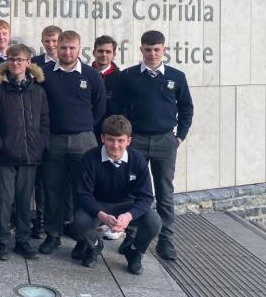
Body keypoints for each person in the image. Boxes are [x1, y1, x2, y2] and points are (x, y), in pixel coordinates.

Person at [116, 30, 193, 261]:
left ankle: (166, 240)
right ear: (141, 49)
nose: (152, 53)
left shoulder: (176, 76)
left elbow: (187, 108)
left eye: (156, 49)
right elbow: (119, 108)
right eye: (148, 49)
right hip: (136, 140)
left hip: (164, 141)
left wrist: (179, 137)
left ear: (164, 50)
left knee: (165, 192)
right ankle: (131, 236)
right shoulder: (128, 76)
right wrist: (125, 139)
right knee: (132, 189)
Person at [39, 30, 106, 254]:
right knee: (53, 190)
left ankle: (83, 238)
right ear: (56, 48)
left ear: (79, 49)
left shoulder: (91, 75)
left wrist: (82, 128)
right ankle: (52, 235)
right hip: (54, 140)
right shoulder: (45, 74)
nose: (67, 52)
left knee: (83, 191)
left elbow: (99, 109)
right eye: (63, 47)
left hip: (83, 140)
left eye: (72, 48)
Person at [0, 44, 49, 260]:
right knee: (3, 200)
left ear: (29, 62)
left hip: (30, 156)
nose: (15, 63)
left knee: (24, 200)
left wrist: (40, 144)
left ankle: (23, 240)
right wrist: (0, 145)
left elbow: (45, 122)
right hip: (4, 157)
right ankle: (2, 241)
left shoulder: (38, 91)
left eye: (20, 60)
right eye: (12, 59)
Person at [71, 115, 162, 275]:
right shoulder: (90, 158)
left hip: (126, 206)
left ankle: (133, 251)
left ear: (128, 141)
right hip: (99, 205)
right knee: (80, 220)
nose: (115, 145)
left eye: (120, 140)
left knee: (154, 221)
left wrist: (128, 216)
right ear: (102, 138)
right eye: (111, 139)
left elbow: (147, 197)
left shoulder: (138, 160)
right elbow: (83, 195)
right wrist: (103, 216)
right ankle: (94, 245)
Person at [91, 35, 124, 241]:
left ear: (114, 54)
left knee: (113, 179)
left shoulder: (121, 78)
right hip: (90, 134)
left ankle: (114, 222)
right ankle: (96, 218)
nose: (104, 55)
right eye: (100, 51)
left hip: (113, 138)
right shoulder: (85, 73)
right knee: (92, 177)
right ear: (93, 51)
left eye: (108, 52)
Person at [31, 25, 63, 239]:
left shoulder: (71, 66)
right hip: (41, 130)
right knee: (42, 180)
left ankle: (64, 221)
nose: (51, 45)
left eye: (55, 41)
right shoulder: (36, 66)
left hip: (63, 130)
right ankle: (41, 221)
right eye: (47, 41)